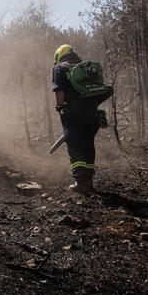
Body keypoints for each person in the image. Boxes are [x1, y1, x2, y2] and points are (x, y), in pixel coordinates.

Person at [52, 44, 109, 194]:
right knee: (88, 146)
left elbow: (59, 91)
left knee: (76, 147)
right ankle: (88, 182)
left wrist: (60, 108)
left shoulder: (60, 67)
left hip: (73, 115)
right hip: (92, 115)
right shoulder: (86, 69)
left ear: (59, 55)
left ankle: (81, 184)